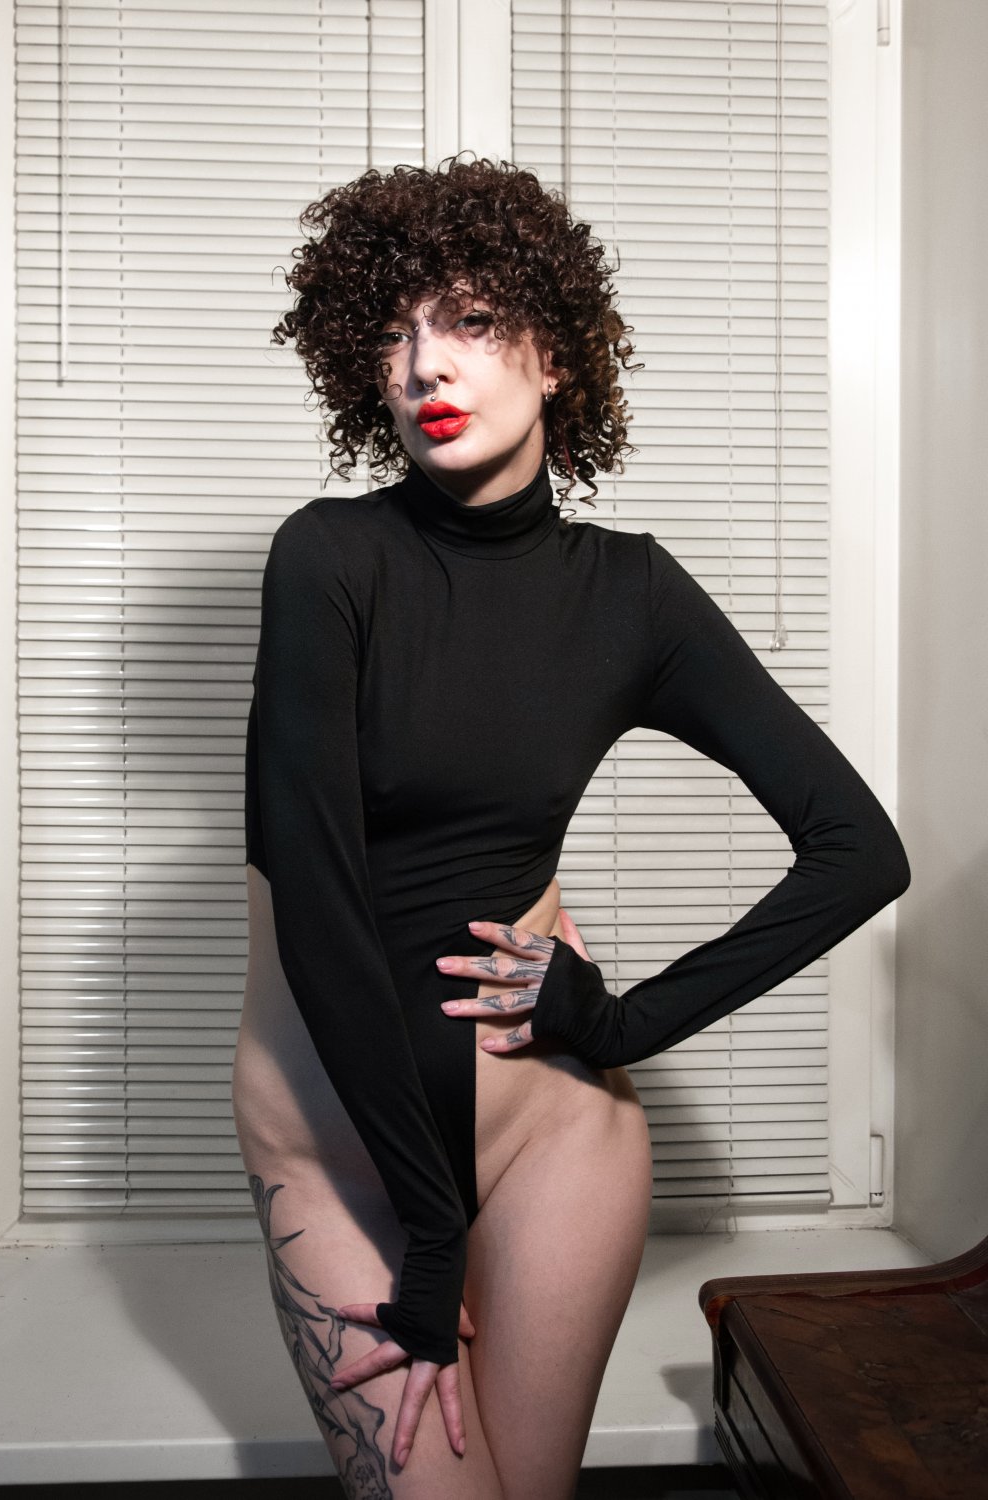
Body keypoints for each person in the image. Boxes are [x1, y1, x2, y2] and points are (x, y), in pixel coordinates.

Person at [231, 155, 910, 1500]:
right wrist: (431, 1228)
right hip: (343, 1154)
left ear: (556, 358)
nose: (426, 363)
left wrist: (621, 1024)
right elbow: (316, 898)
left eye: (472, 322)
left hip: (556, 1138)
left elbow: (859, 848)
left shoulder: (633, 597)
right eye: (394, 334)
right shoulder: (329, 561)